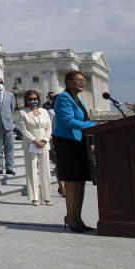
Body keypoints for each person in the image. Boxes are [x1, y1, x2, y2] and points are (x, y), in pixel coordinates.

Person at [52, 70, 98, 233]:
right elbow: (68, 120)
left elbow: (84, 119)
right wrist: (94, 126)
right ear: (68, 82)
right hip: (66, 142)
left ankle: (78, 217)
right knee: (71, 182)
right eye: (78, 80)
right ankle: (70, 217)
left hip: (78, 141)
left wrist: (96, 124)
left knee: (80, 181)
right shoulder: (63, 98)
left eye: (83, 80)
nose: (82, 82)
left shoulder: (78, 100)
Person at [17, 89, 52, 205]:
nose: (33, 101)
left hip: (43, 143)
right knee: (31, 170)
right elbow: (23, 130)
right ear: (27, 100)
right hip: (31, 143)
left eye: (35, 99)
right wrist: (35, 140)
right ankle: (34, 197)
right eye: (31, 99)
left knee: (45, 170)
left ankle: (47, 197)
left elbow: (48, 127)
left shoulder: (44, 111)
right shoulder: (23, 112)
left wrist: (45, 140)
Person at [44, 91, 64, 197]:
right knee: (58, 164)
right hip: (56, 140)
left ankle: (63, 185)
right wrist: (51, 142)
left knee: (63, 164)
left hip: (65, 139)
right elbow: (49, 127)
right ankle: (61, 186)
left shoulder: (65, 112)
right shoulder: (51, 112)